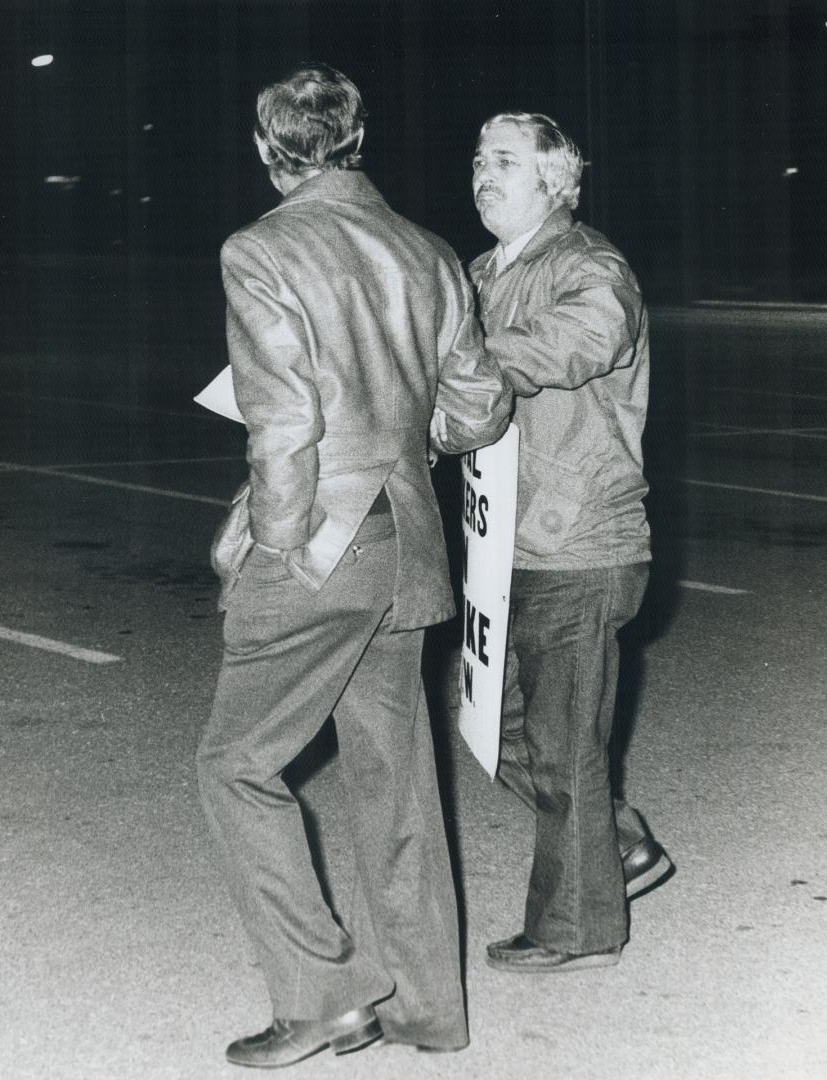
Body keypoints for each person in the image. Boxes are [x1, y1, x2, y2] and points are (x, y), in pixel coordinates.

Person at [196, 65, 511, 1068]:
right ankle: (428, 1009)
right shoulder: (426, 253)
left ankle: (323, 996)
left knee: (235, 767)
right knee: (395, 781)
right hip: (409, 542)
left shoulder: (262, 249)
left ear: (266, 146)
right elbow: (481, 408)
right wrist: (415, 434)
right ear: (358, 134)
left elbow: (283, 421)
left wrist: (281, 543)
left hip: (324, 543)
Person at [468, 111, 672, 973]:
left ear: (557, 180)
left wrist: (464, 362)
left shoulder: (590, 266)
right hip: (509, 543)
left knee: (559, 737)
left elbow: (585, 336)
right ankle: (617, 843)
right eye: (478, 158)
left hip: (581, 537)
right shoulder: (480, 270)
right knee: (494, 727)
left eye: (505, 160)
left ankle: (578, 930)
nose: (483, 172)